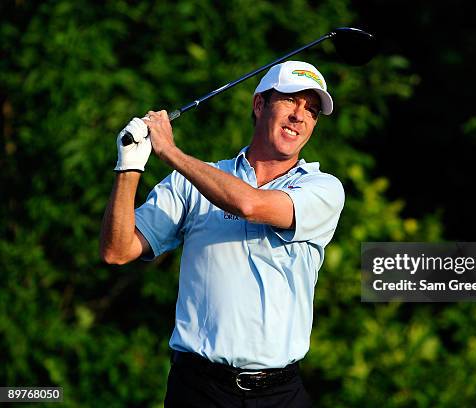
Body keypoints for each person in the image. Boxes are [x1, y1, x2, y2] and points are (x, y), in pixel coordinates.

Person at [99, 60, 345, 407]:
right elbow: (117, 250)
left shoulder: (322, 188)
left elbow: (249, 205)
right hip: (198, 390)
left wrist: (170, 152)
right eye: (290, 100)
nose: (300, 116)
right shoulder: (193, 182)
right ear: (260, 104)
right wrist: (129, 167)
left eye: (312, 110)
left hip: (279, 395)